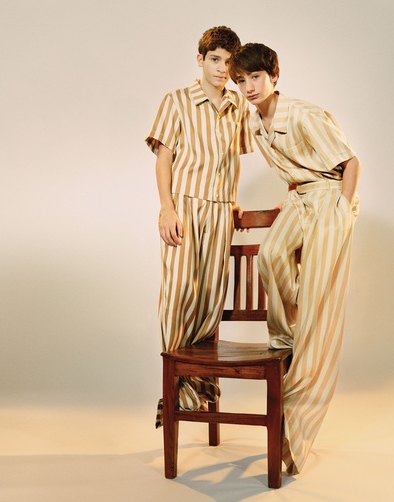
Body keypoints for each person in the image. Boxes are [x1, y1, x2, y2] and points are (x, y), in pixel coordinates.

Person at [229, 43, 361, 475]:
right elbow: (288, 170)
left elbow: (351, 162)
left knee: (319, 319)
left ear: (274, 75)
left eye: (256, 77)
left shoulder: (304, 114)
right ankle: (286, 337)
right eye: (241, 80)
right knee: (269, 256)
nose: (249, 87)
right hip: (299, 200)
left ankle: (296, 430)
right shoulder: (255, 122)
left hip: (328, 200)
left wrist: (341, 209)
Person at [145, 27, 253, 428]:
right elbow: (164, 158)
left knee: (210, 299)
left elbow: (234, 159)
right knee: (178, 296)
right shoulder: (176, 100)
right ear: (200, 60)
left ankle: (193, 388)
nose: (222, 69)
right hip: (185, 208)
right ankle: (176, 388)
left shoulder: (238, 106)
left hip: (221, 210)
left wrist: (231, 199)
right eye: (215, 60)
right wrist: (167, 208)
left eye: (229, 62)